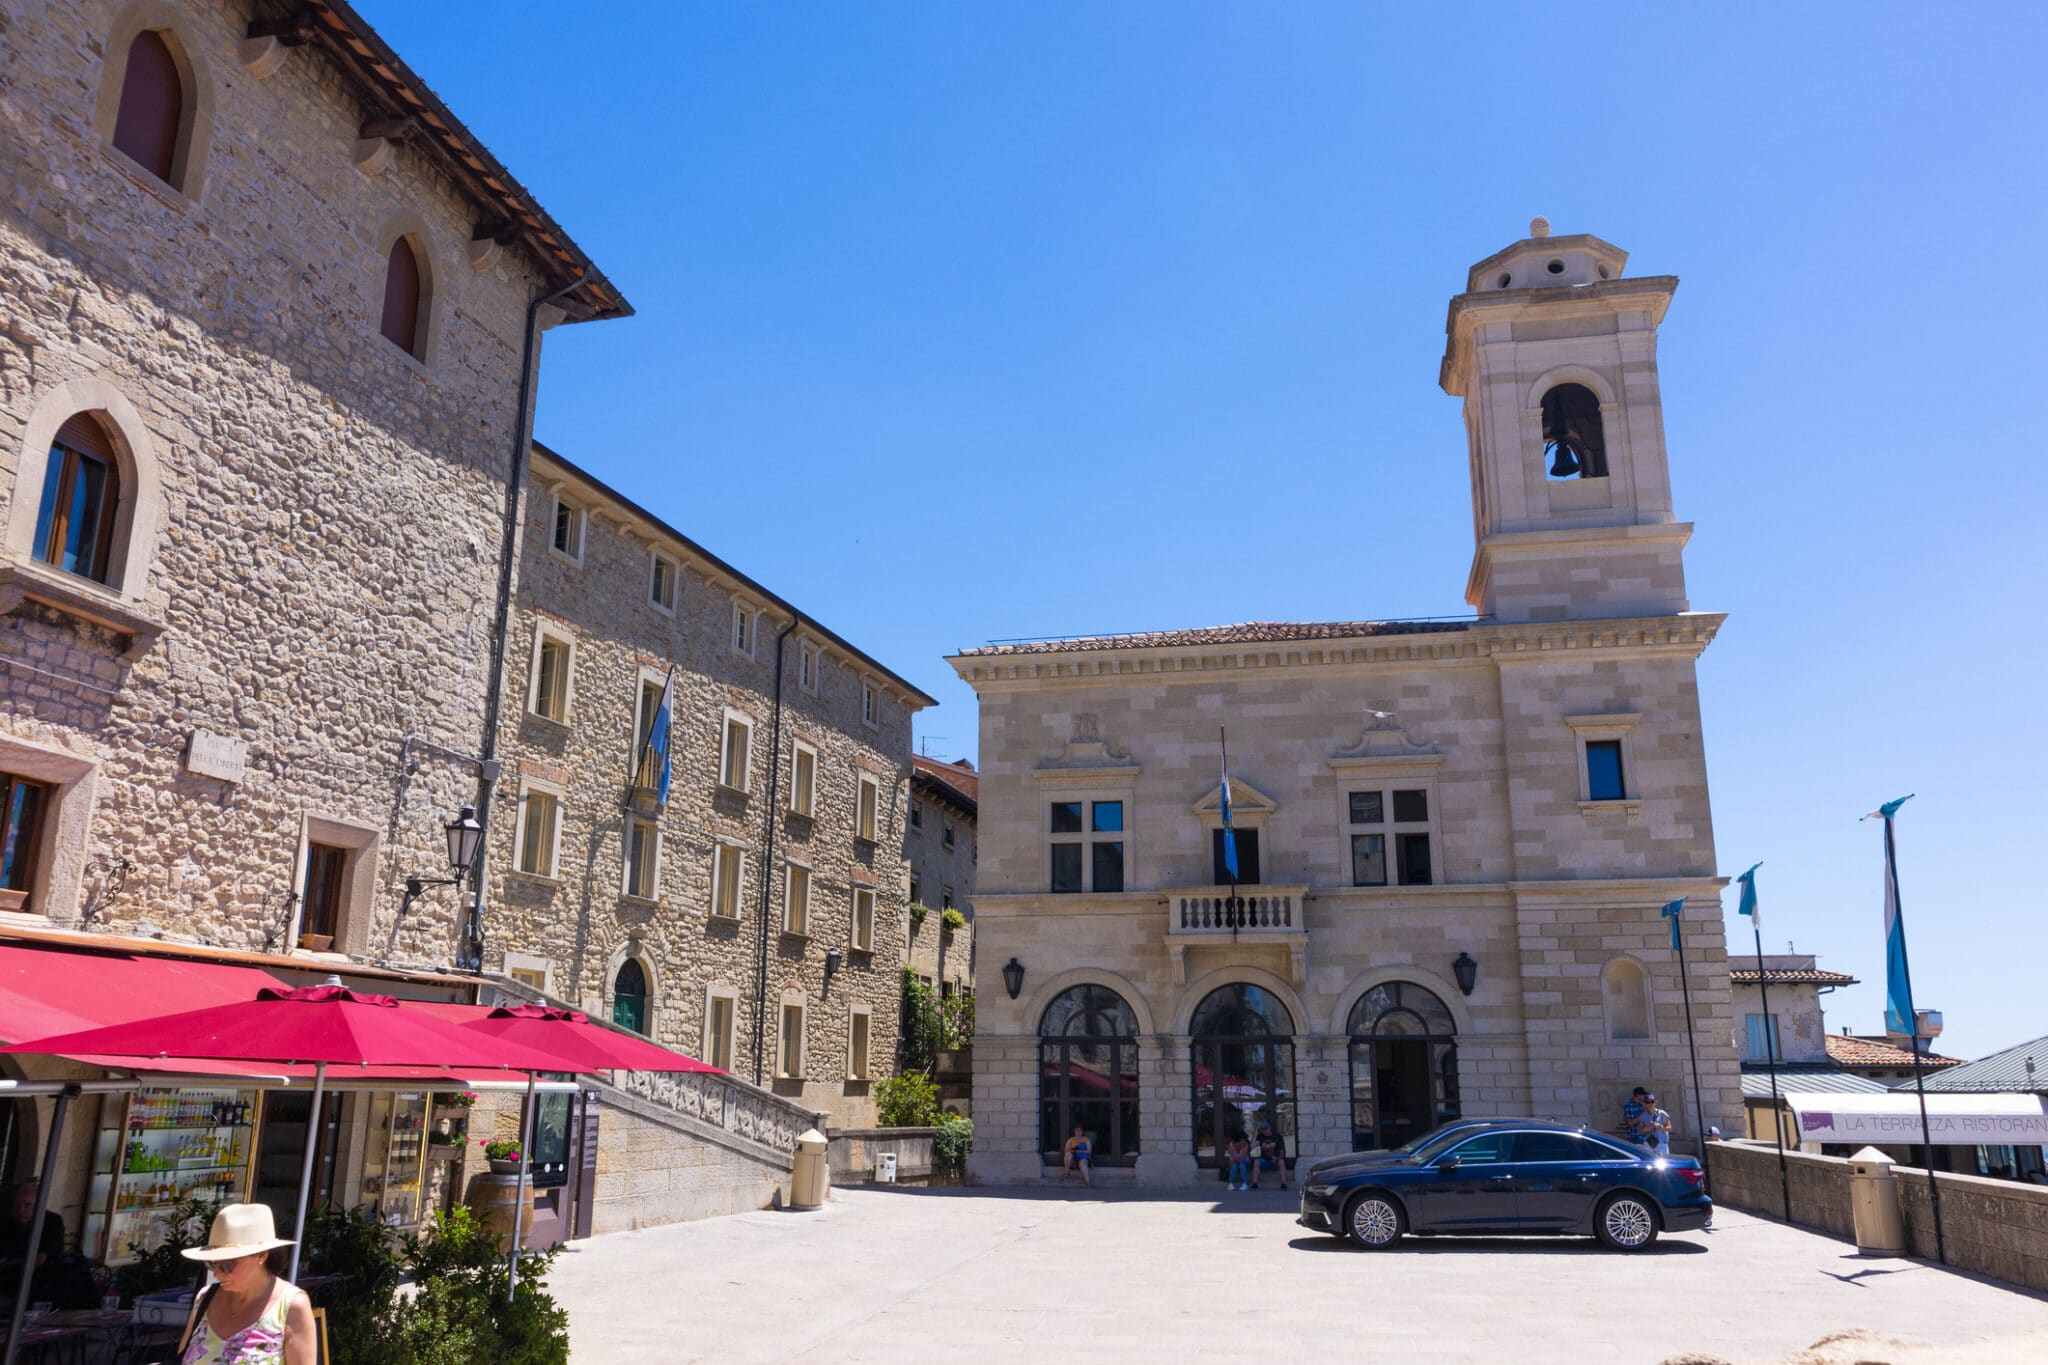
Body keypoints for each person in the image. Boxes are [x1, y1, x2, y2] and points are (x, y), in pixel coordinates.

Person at [176, 1203, 317, 1365]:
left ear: (261, 1256)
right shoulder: (205, 1298)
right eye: (212, 1263)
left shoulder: (292, 1306)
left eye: (227, 1264)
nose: (216, 1273)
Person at [0, 1180, 64, 1305]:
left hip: (39, 1288)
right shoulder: (8, 1221)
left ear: (39, 1206)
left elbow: (39, 1259)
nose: (20, 1210)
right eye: (17, 1205)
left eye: (27, 1205)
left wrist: (7, 1263)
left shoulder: (51, 1222)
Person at [1249, 1123, 1287, 1191]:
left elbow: (1282, 1154)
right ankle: (1254, 1184)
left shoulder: (1277, 1137)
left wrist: (1276, 1158)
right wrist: (1255, 1134)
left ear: (1270, 1128)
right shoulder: (1261, 1137)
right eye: (1263, 1130)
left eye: (1266, 1129)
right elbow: (1252, 1146)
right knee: (1257, 1161)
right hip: (1265, 1161)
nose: (1265, 1131)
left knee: (1281, 1161)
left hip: (1275, 1160)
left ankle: (1283, 1184)